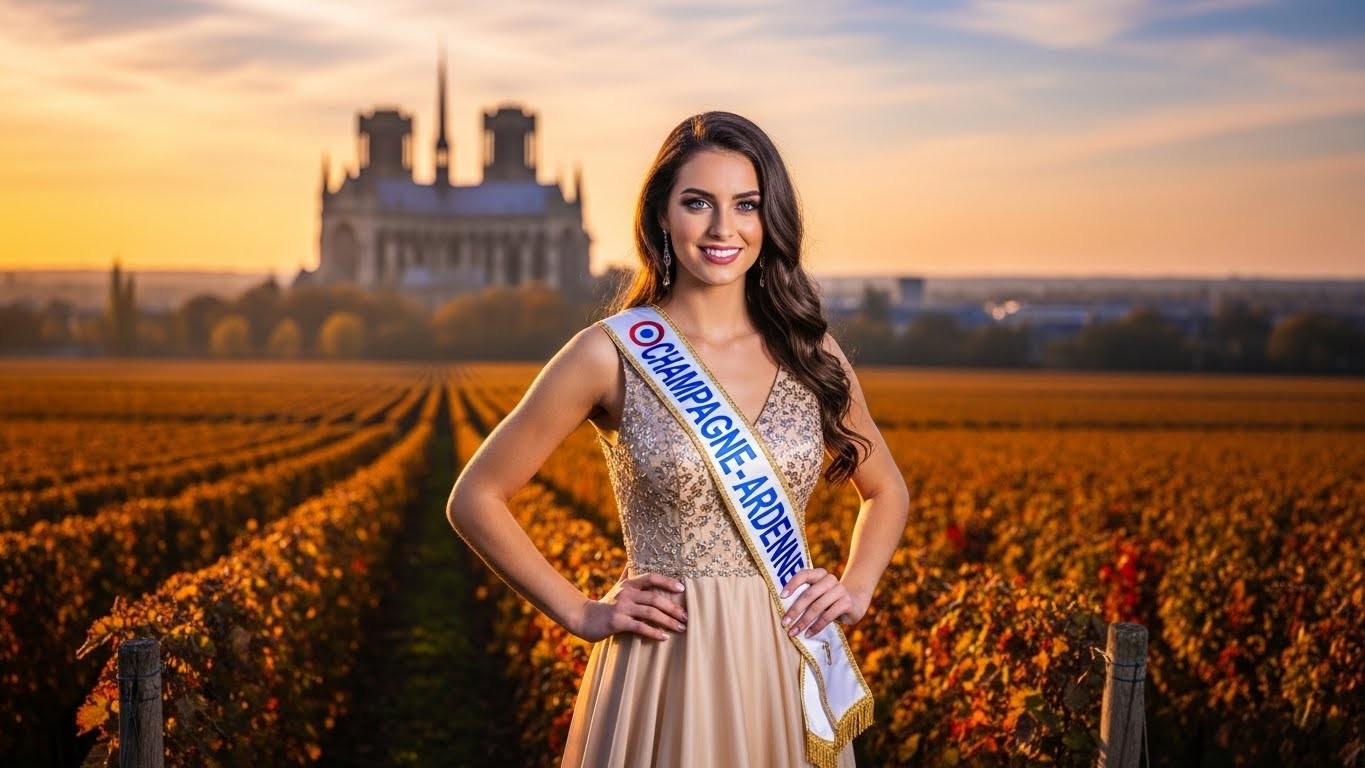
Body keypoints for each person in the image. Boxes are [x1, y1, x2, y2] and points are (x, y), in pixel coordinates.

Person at [446, 111, 909, 767]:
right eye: (698, 203)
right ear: (661, 216)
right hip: (663, 662)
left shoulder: (813, 353)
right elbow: (475, 497)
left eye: (744, 205)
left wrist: (856, 589)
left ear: (767, 218)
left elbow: (885, 488)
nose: (723, 229)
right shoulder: (608, 353)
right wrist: (579, 613)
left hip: (783, 658)